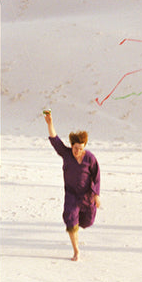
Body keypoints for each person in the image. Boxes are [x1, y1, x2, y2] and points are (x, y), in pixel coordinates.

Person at [44, 109, 101, 261]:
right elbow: (55, 140)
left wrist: (96, 195)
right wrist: (50, 123)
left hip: (87, 196)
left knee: (87, 222)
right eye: (75, 148)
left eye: (80, 148)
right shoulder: (66, 153)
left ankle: (80, 222)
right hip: (71, 195)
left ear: (84, 147)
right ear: (72, 146)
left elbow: (96, 177)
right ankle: (76, 251)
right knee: (71, 220)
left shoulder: (90, 158)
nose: (77, 151)